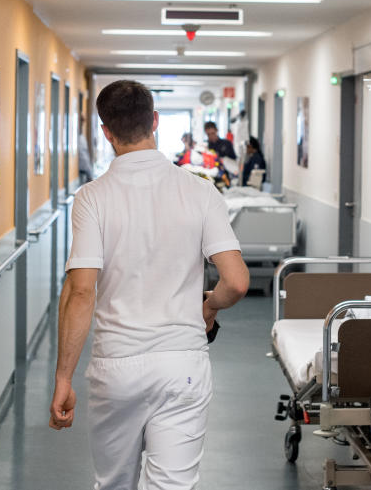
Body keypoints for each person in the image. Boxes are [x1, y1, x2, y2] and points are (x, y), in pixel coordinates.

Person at [49, 80, 250, 490]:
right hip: (183, 365)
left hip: (116, 366)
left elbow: (82, 291)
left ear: (106, 132)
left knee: (113, 483)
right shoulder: (199, 190)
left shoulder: (93, 198)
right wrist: (208, 308)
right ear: (155, 122)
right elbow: (236, 282)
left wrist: (63, 379)